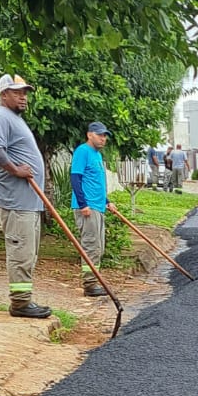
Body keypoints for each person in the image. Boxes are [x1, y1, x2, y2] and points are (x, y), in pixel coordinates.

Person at [0, 72, 51, 319]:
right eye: (16, 93)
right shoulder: (1, 117)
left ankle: (24, 300)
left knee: (28, 253)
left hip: (28, 201)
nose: (23, 98)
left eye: (24, 93)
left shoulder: (13, 118)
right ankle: (20, 304)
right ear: (3, 95)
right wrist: (15, 169)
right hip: (16, 201)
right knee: (21, 252)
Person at [70, 121, 111, 298]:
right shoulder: (83, 151)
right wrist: (83, 204)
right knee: (91, 246)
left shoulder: (97, 156)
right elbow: (75, 178)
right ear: (89, 135)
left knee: (99, 247)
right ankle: (89, 284)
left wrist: (107, 201)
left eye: (105, 136)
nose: (103, 139)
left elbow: (97, 182)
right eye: (100, 135)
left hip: (98, 205)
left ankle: (94, 280)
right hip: (87, 207)